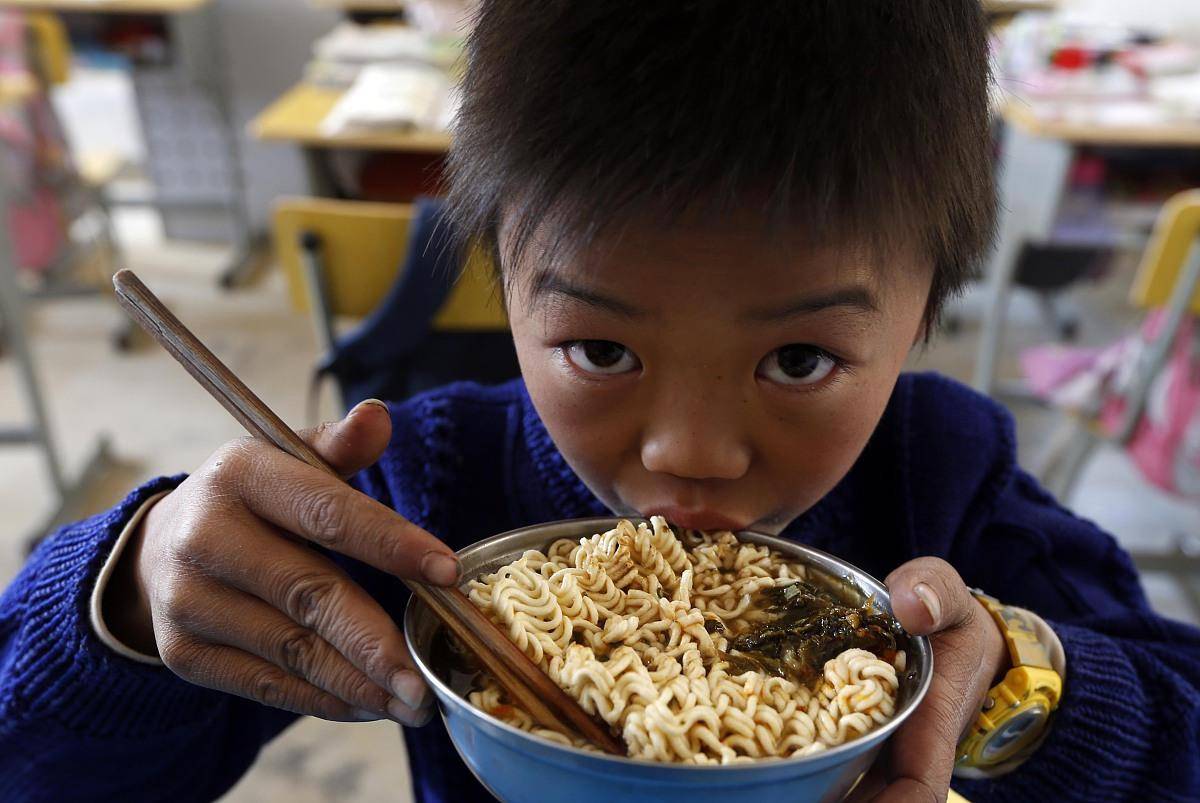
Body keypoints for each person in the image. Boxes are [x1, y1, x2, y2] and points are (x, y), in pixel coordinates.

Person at [3, 2, 1198, 801]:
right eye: (600, 346)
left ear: (928, 305)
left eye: (798, 358)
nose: (692, 452)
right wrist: (131, 594)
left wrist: (1018, 692)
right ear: (502, 279)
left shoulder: (947, 470)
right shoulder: (422, 498)